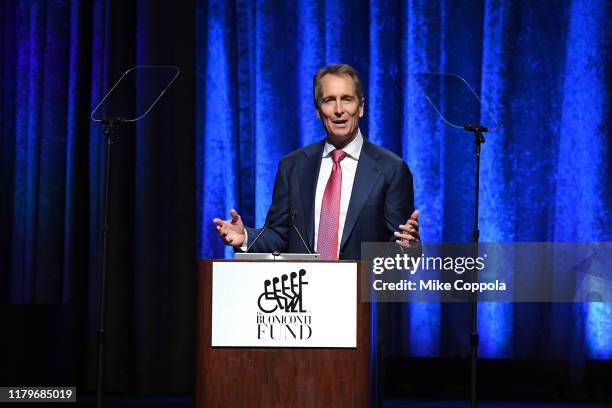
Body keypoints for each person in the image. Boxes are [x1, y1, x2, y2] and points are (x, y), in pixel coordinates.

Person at [213, 64, 419, 260]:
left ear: (361, 107)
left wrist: (408, 249)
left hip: (360, 294)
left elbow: (401, 254)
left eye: (347, 99)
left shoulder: (391, 169)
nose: (339, 109)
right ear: (318, 110)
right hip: (302, 291)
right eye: (329, 100)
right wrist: (245, 238)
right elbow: (278, 235)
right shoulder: (292, 166)